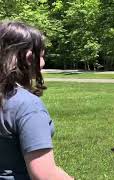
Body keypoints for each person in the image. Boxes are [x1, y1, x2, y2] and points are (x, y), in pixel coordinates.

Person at [0, 21, 73, 180]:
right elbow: (45, 174)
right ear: (29, 57)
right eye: (41, 56)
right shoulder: (27, 105)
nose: (43, 62)